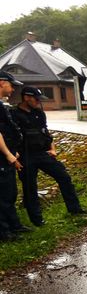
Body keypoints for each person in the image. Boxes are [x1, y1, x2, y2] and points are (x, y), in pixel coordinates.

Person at [11, 86, 87, 227]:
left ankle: (75, 209)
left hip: (42, 153)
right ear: (26, 97)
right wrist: (14, 156)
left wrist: (52, 149)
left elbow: (46, 133)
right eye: (36, 99)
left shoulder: (39, 114)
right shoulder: (13, 114)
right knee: (30, 188)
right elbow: (9, 137)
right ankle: (37, 220)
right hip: (25, 156)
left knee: (64, 177)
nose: (38, 102)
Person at [0, 71, 32, 240]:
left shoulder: (1, 105)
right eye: (11, 85)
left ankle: (15, 226)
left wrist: (13, 151)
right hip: (2, 158)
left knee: (10, 192)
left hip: (8, 155)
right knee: (3, 195)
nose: (13, 89)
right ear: (1, 83)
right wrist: (8, 154)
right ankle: (4, 232)